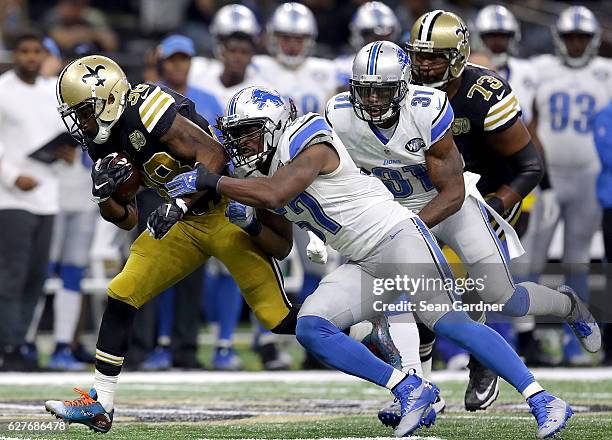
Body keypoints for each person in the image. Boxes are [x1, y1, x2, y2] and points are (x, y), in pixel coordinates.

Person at [167, 85, 574, 439]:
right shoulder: (257, 172)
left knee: (449, 321)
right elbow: (280, 246)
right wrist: (253, 225)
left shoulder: (307, 137)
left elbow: (277, 192)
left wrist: (210, 181)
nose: (241, 146)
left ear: (274, 126)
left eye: (248, 135)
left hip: (398, 237)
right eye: (235, 137)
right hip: (363, 259)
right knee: (311, 327)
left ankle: (543, 399)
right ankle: (409, 388)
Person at [44, 55, 398, 432]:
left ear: (109, 99)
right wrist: (104, 197)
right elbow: (126, 217)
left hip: (225, 210)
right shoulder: (101, 139)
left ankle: (362, 332)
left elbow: (213, 154)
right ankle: (101, 403)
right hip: (182, 224)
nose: (80, 123)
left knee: (277, 318)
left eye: (85, 111)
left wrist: (178, 202)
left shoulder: (147, 109)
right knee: (121, 293)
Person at [325, 39, 600, 428]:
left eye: (382, 91)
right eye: (364, 90)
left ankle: (567, 306)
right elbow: (335, 179)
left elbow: (452, 191)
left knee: (502, 296)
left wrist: (409, 229)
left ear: (403, 86)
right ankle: (421, 394)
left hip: (451, 206)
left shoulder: (429, 109)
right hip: (395, 211)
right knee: (405, 299)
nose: (371, 101)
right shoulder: (339, 115)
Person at [403, 10, 572, 410]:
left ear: (458, 56)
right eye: (419, 55)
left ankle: (484, 359)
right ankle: (421, 380)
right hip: (428, 193)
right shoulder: (401, 86)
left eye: (435, 56)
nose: (423, 64)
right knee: (418, 282)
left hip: (487, 193)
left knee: (484, 289)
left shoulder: (484, 94)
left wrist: (497, 207)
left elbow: (530, 165)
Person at [527, 5, 612, 365]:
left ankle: (577, 342)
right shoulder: (540, 70)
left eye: (583, 37)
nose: (576, 44)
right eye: (570, 37)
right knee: (532, 259)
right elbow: (526, 122)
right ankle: (526, 336)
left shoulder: (606, 72)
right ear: (559, 39)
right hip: (550, 178)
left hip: (588, 177)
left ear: (594, 40)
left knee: (577, 261)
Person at [0, 31, 70, 371]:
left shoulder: (51, 94)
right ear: (15, 54)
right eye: (24, 51)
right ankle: (7, 345)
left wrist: (66, 151)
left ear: (44, 54)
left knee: (36, 276)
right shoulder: (2, 90)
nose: (30, 57)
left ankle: (21, 343)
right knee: (10, 275)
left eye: (36, 51)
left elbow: (62, 139)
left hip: (48, 194)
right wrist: (12, 177)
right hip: (10, 196)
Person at [334, 1, 401, 91]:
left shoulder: (401, 66)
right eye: (373, 37)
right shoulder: (342, 67)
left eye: (385, 37)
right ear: (358, 34)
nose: (379, 43)